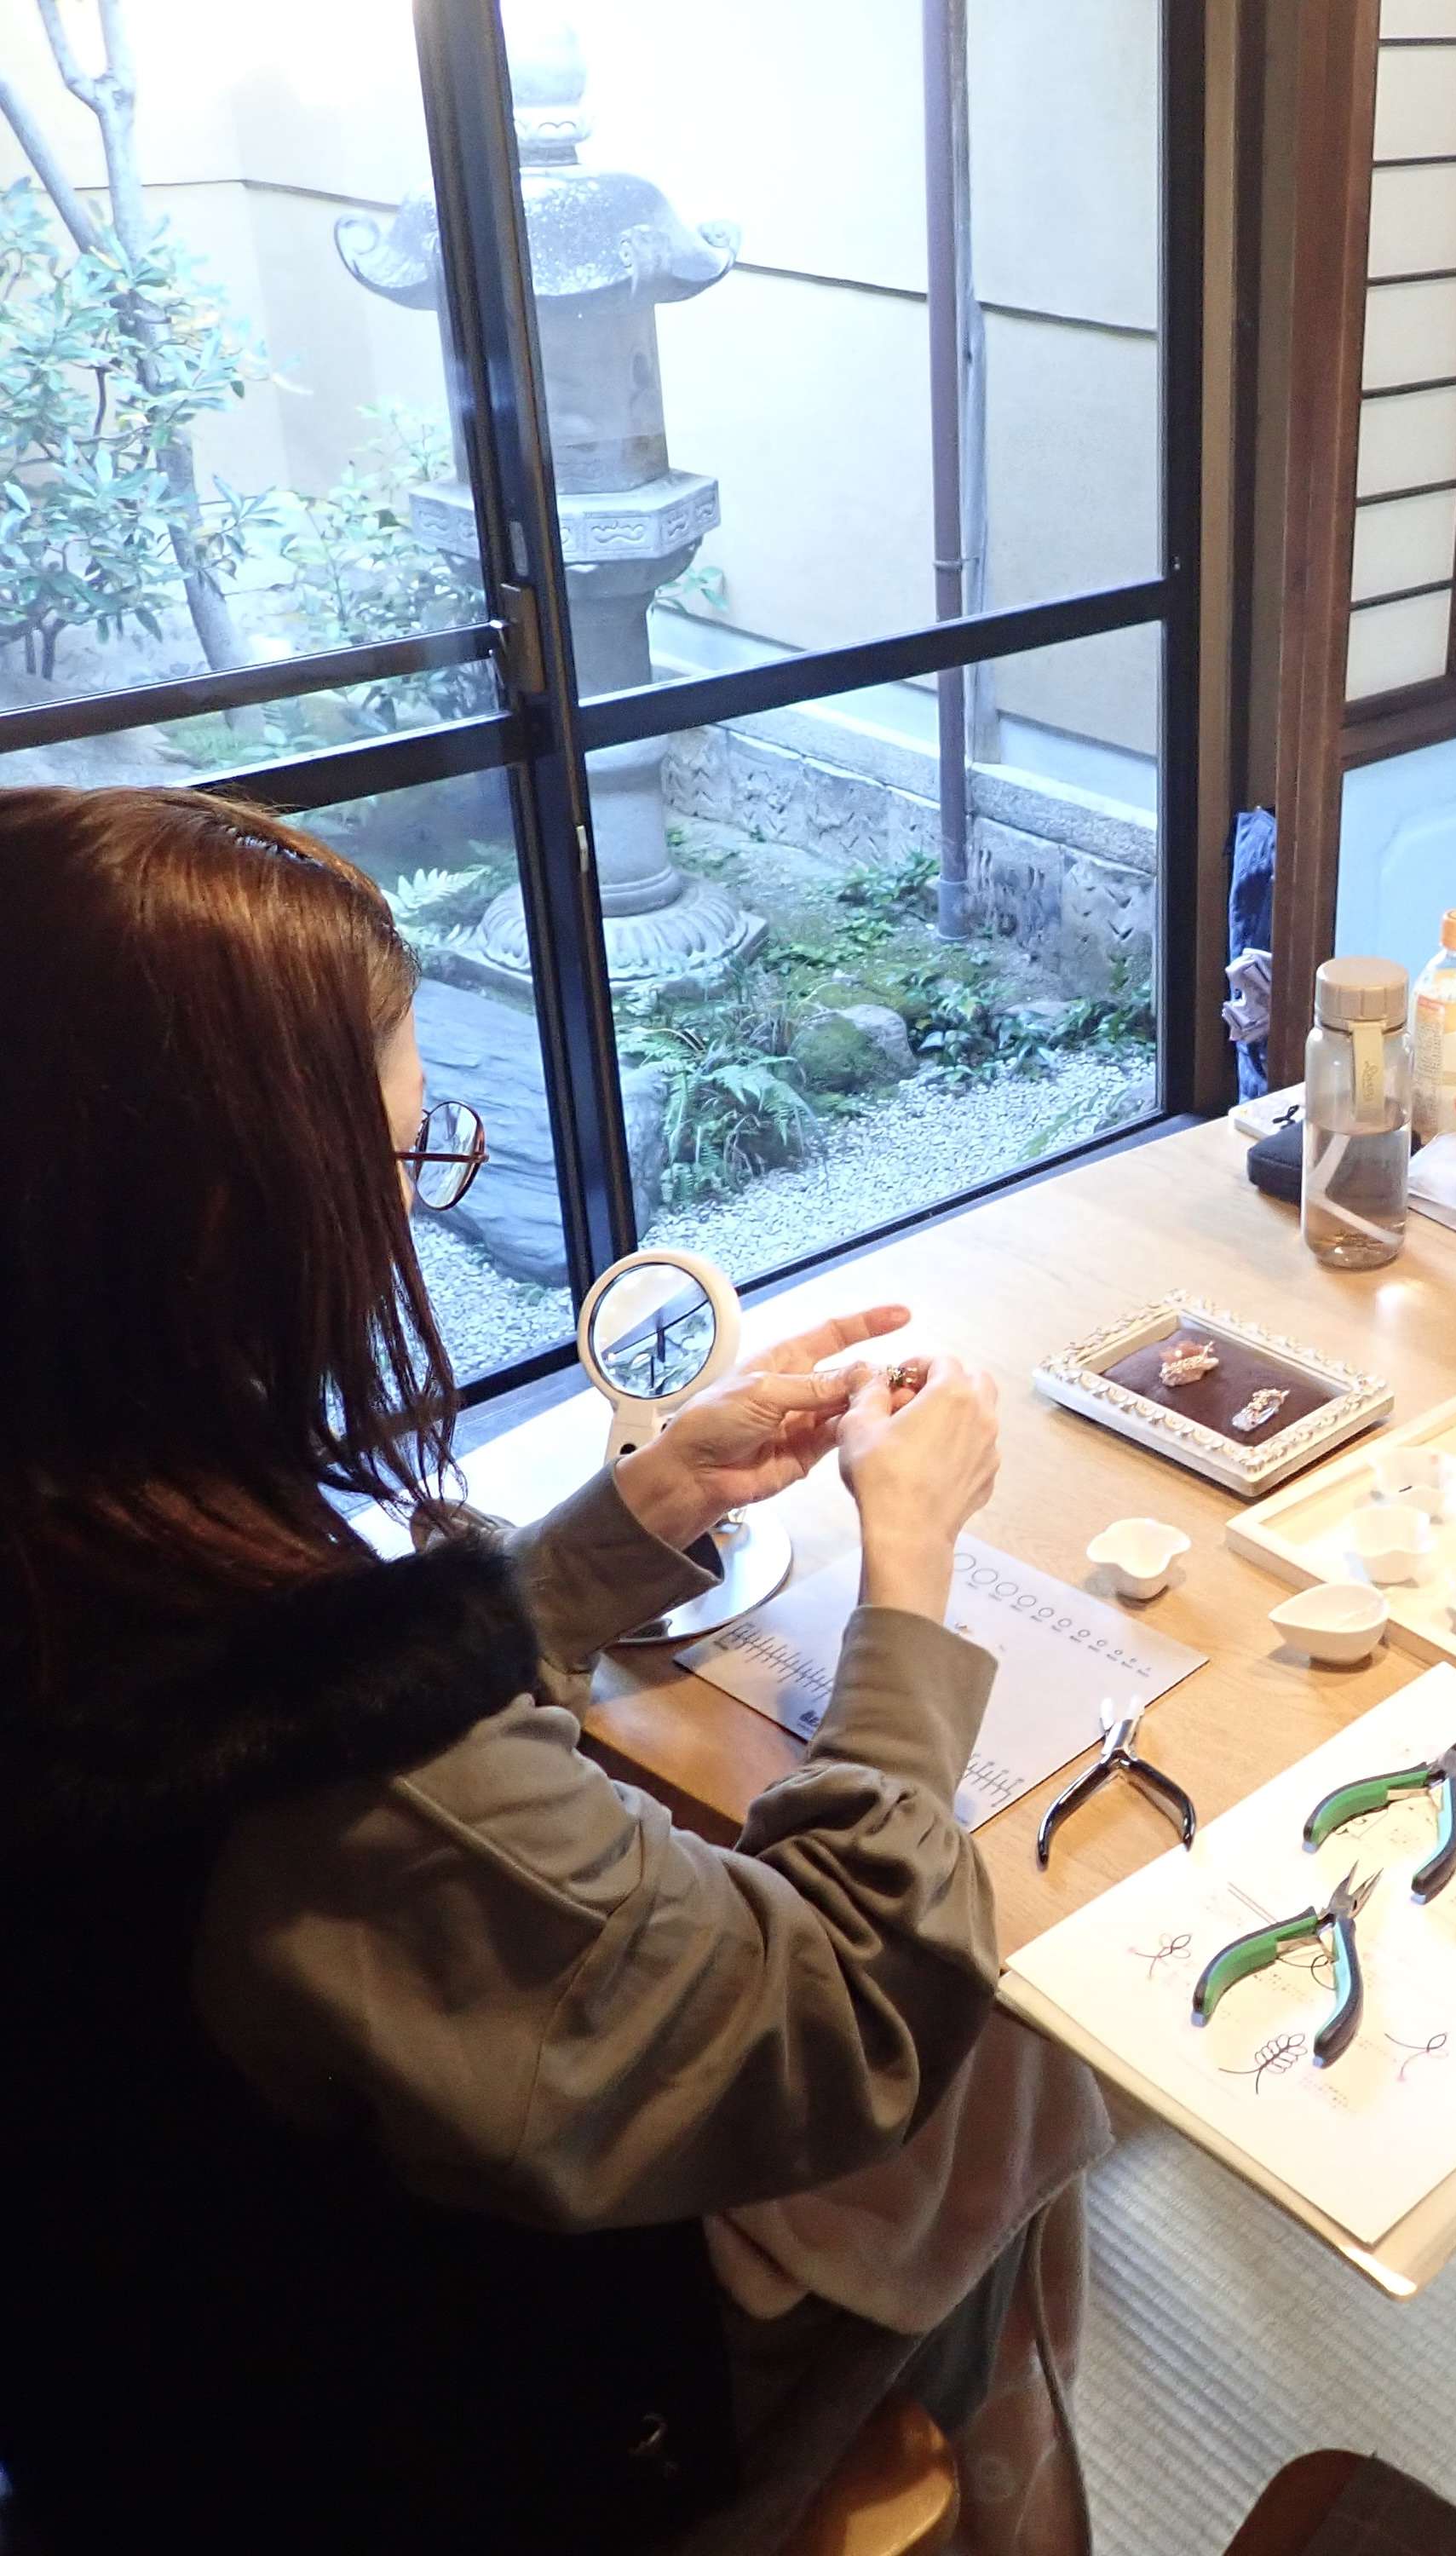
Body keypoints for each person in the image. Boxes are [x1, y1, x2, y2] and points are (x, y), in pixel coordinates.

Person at [0, 786, 1105, 2556]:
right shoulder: (328, 1795)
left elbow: (326, 1687)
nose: (405, 1223)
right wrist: (910, 1575)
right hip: (449, 2424)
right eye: (396, 1167)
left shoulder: (78, 1541)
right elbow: (840, 2016)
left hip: (133, 2371)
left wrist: (631, 1520)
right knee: (1023, 2045)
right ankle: (968, 2477)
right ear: (217, 1218)